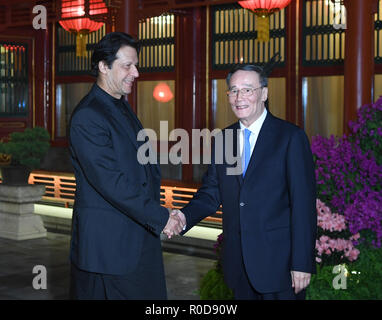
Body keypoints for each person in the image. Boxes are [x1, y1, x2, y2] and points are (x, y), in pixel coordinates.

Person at [175, 64, 317, 300]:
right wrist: (183, 217)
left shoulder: (290, 138)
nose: (239, 97)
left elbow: (303, 205)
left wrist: (302, 262)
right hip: (239, 264)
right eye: (233, 90)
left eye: (247, 90)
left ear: (264, 93)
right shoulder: (224, 139)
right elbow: (212, 192)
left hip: (280, 265)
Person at [68, 32, 185, 300]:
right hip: (108, 250)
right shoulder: (89, 115)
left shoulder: (120, 106)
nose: (136, 72)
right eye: (127, 65)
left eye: (136, 64)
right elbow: (111, 182)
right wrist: (162, 217)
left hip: (137, 236)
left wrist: (160, 214)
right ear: (103, 66)